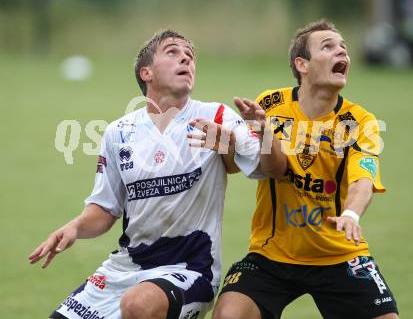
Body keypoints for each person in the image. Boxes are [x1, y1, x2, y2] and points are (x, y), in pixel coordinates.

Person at [28, 30, 260, 319]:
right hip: (126, 268)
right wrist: (74, 227)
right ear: (146, 72)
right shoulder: (118, 133)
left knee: (139, 305)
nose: (186, 57)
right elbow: (105, 209)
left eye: (189, 55)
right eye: (173, 51)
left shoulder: (215, 116)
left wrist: (237, 140)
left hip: (189, 269)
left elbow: (255, 158)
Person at [213, 20, 399, 319]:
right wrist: (227, 144)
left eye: (344, 48)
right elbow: (242, 165)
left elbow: (363, 179)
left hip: (340, 254)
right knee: (228, 315)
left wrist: (351, 214)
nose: (342, 52)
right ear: (302, 64)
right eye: (328, 46)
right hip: (272, 253)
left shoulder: (361, 122)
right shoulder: (269, 106)